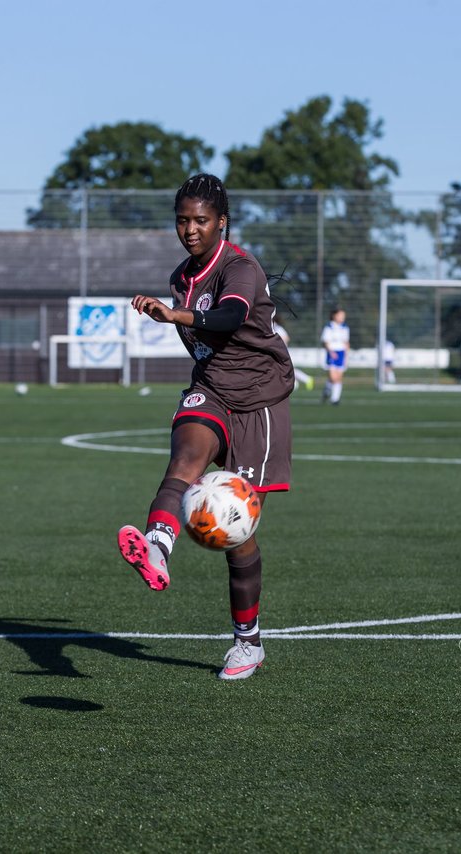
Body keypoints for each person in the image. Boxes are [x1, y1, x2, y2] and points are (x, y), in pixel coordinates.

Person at [117, 174, 295, 681]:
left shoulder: (240, 267)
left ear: (222, 222)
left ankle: (248, 642)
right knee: (185, 457)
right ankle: (157, 545)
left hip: (259, 399)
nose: (190, 229)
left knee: (237, 533)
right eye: (182, 219)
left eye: (201, 220)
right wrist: (174, 308)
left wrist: (175, 313)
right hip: (213, 388)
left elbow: (231, 317)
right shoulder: (181, 275)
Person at [272, 314, 314, 390]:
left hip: (282, 352)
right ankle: (298, 382)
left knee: (287, 369)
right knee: (283, 369)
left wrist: (280, 347)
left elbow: (286, 338)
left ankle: (305, 379)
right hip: (280, 352)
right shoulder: (275, 327)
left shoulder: (277, 328)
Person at [320, 307, 350, 404]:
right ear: (334, 316)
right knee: (333, 378)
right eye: (340, 315)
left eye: (343, 316)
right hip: (332, 352)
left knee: (338, 378)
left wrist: (346, 355)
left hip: (341, 353)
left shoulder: (345, 327)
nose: (342, 317)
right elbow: (325, 341)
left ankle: (335, 399)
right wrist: (331, 352)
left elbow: (346, 342)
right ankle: (328, 391)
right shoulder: (329, 327)